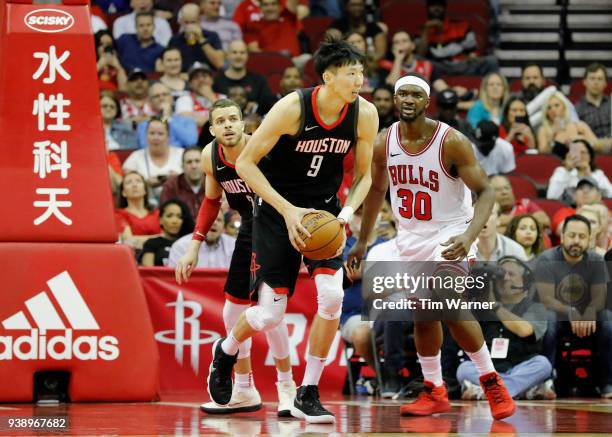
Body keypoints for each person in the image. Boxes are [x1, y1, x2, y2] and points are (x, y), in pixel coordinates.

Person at [205, 38, 379, 424]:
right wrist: (287, 211)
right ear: (328, 77)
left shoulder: (364, 114)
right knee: (268, 316)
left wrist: (346, 212)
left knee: (332, 297)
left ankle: (308, 391)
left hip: (325, 213)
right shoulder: (291, 108)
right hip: (276, 210)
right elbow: (248, 165)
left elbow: (366, 174)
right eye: (352, 73)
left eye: (361, 73)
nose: (360, 80)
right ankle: (227, 349)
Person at [348, 73, 515, 420]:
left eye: (415, 95)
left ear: (427, 102)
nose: (407, 100)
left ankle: (490, 379)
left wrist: (468, 236)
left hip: (451, 233)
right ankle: (434, 389)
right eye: (401, 95)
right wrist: (362, 242)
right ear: (395, 101)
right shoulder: (384, 142)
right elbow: (377, 192)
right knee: (424, 315)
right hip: (410, 236)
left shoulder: (450, 141)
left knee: (447, 302)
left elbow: (486, 192)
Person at [174, 99, 297, 416]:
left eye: (233, 119)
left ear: (244, 124)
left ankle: (287, 387)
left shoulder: (263, 147)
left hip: (276, 226)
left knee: (270, 312)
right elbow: (211, 202)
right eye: (221, 121)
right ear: (212, 128)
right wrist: (194, 246)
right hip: (248, 227)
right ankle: (244, 388)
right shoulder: (210, 156)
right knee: (232, 313)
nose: (228, 125)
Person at [535, 215, 612, 398]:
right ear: (562, 237)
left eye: (581, 236)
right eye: (571, 235)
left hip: (588, 316)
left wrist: (590, 312)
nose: (576, 241)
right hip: (559, 315)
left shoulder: (596, 259)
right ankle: (547, 381)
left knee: (608, 320)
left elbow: (600, 297)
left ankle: (607, 382)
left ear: (589, 239)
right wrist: (572, 312)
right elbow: (546, 299)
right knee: (549, 320)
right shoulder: (547, 258)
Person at [457, 257, 553, 400]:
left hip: (520, 367)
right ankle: (519, 390)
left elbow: (525, 330)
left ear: (525, 281)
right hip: (490, 370)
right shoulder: (482, 308)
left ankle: (488, 391)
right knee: (464, 368)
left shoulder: (535, 307)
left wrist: (495, 306)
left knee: (543, 364)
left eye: (512, 274)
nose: (505, 278)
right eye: (501, 274)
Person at [415, 0, 498, 76]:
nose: (436, 9)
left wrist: (470, 57)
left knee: (491, 61)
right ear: (427, 9)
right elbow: (420, 55)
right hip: (439, 67)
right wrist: (425, 31)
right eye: (432, 6)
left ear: (444, 8)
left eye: (439, 6)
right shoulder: (422, 31)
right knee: (416, 59)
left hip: (462, 65)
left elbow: (473, 52)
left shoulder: (461, 26)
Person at [124, 117, 185, 202]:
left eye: (160, 134)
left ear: (168, 136)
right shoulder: (135, 157)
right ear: (146, 135)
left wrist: (178, 179)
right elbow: (126, 183)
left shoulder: (182, 154)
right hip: (146, 205)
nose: (156, 137)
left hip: (179, 204)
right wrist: (145, 184)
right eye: (152, 133)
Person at [213, 40, 277, 116]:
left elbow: (270, 104)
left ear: (247, 56)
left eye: (242, 53)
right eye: (234, 52)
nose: (238, 56)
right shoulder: (217, 81)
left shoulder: (259, 80)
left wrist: (257, 105)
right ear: (227, 55)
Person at [137, 83, 199, 148]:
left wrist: (168, 118)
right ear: (150, 102)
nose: (161, 98)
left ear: (171, 99)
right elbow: (145, 146)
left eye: (165, 94)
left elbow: (191, 142)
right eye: (156, 96)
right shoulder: (144, 124)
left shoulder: (186, 120)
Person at [168, 3, 225, 72]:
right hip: (184, 78)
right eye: (186, 23)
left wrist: (201, 39)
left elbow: (220, 64)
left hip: (208, 77)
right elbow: (169, 65)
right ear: (181, 22)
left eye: (193, 22)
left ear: (200, 20)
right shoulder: (175, 40)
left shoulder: (212, 36)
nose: (190, 27)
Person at [546, 140, 612, 200]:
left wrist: (589, 176)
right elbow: (551, 197)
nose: (579, 156)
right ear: (568, 155)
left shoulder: (598, 174)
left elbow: (610, 195)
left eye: (583, 152)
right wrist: (567, 170)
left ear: (590, 156)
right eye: (576, 153)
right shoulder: (561, 172)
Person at [168, 211, 236, 268]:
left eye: (219, 220)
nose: (214, 222)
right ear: (198, 222)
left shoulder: (234, 245)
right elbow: (173, 279)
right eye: (210, 218)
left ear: (223, 227)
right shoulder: (180, 246)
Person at [140, 199, 194, 266]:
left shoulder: (190, 243)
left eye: (179, 217)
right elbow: (148, 271)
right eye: (169, 216)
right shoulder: (152, 243)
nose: (175, 221)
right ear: (160, 220)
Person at [115, 170, 160, 250]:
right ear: (123, 193)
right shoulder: (119, 214)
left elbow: (169, 238)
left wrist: (139, 239)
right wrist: (159, 238)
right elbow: (129, 241)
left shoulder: (157, 213)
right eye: (129, 182)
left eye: (138, 181)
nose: (134, 185)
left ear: (145, 189)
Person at [575, 63, 611, 153]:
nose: (596, 82)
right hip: (590, 152)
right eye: (592, 78)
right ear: (585, 82)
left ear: (605, 83)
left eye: (600, 79)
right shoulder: (578, 108)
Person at [175, 62, 225, 129]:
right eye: (196, 77)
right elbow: (186, 122)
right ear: (190, 84)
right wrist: (218, 118)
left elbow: (229, 119)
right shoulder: (184, 99)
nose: (201, 80)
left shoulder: (223, 97)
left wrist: (212, 98)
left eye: (204, 76)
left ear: (212, 80)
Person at [160, 147, 206, 218]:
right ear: (182, 166)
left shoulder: (215, 183)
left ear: (205, 163)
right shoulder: (171, 186)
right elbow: (165, 215)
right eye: (189, 162)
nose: (193, 166)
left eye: (197, 161)